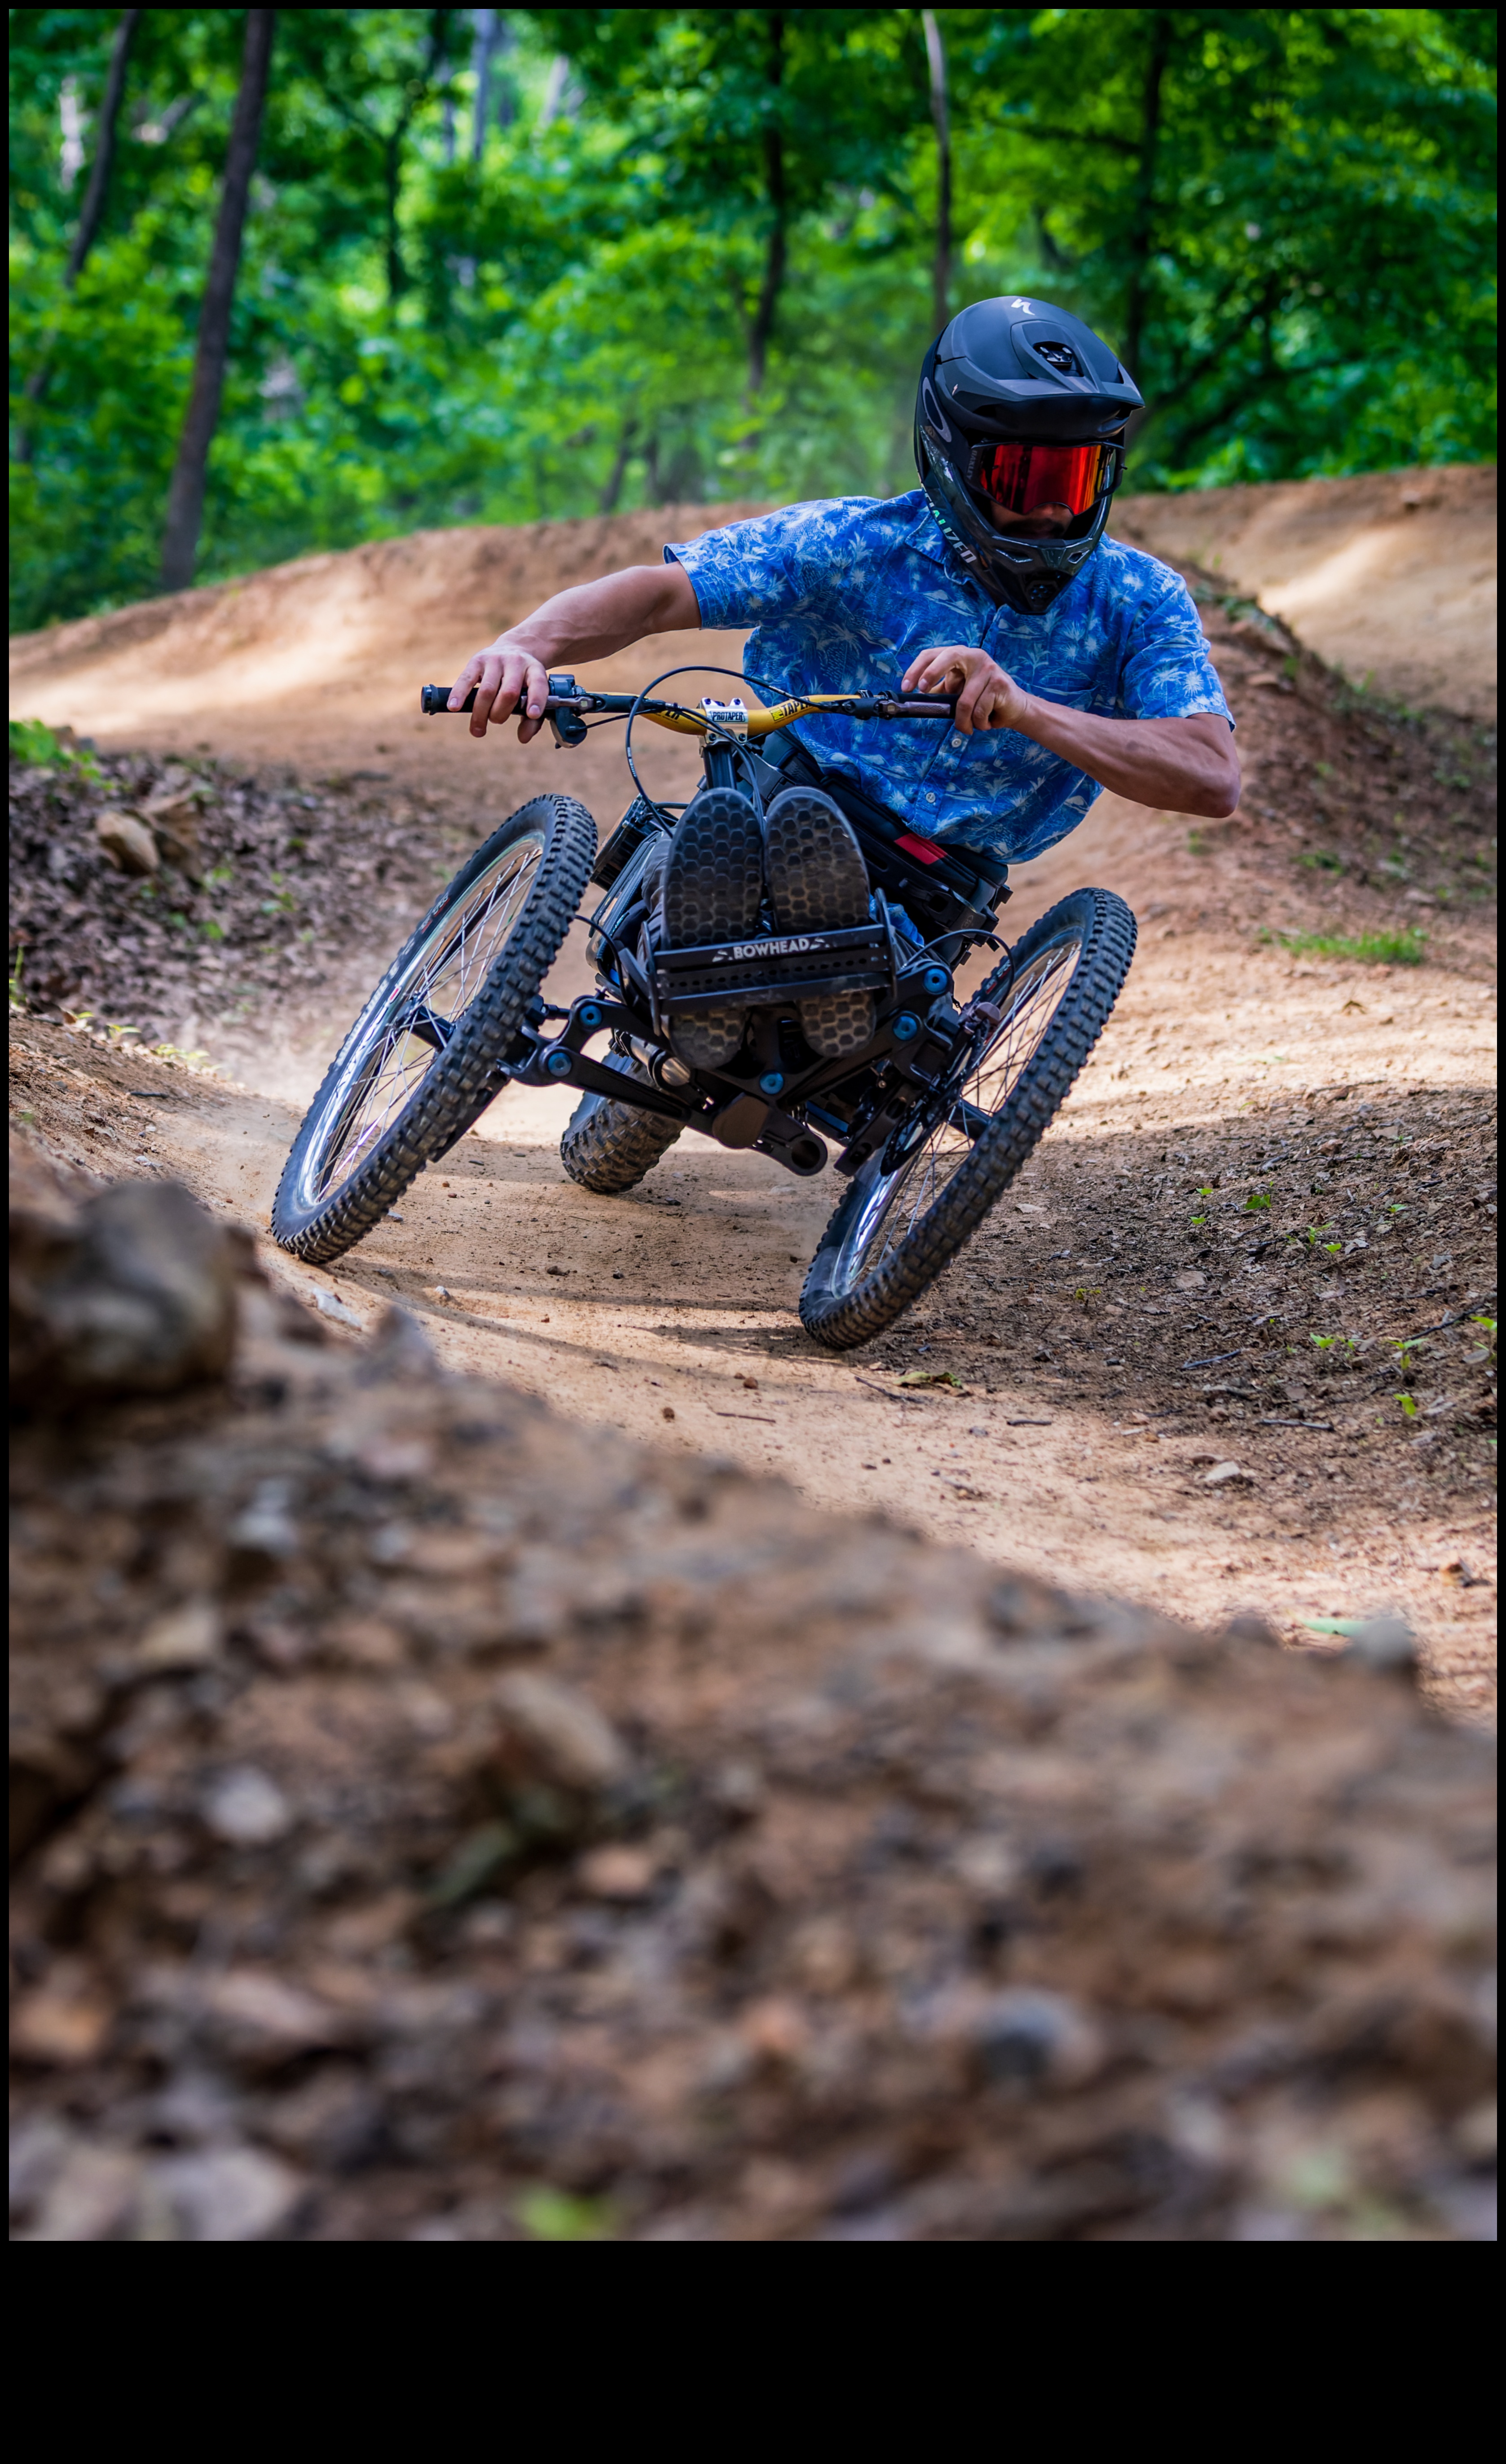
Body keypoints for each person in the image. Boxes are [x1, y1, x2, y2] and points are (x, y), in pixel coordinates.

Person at [447, 294, 1240, 1065]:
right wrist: (525, 648)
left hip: (943, 884)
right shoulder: (850, 541)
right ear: (951, 456)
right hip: (797, 788)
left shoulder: (1140, 598)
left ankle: (825, 951)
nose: (1046, 516)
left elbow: (1210, 776)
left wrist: (1025, 709)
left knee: (888, 950)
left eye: (1068, 486)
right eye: (1018, 481)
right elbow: (662, 593)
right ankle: (733, 924)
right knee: (774, 818)